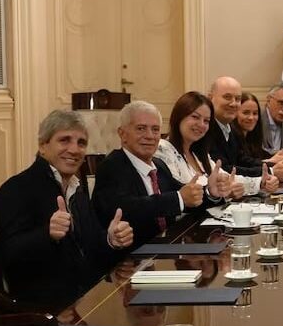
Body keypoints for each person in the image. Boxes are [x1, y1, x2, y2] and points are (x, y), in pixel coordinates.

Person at [0, 110, 134, 310]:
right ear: (43, 145)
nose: (74, 149)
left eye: (81, 143)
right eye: (64, 140)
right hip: (44, 310)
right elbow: (8, 255)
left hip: (86, 301)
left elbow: (91, 246)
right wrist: (47, 234)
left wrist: (111, 239)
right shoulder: (17, 188)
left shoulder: (77, 189)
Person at [93, 101, 230, 248]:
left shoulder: (159, 165)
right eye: (141, 129)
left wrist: (210, 192)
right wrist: (179, 198)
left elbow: (185, 196)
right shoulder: (112, 166)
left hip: (168, 247)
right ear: (122, 134)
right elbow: (127, 207)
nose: (150, 136)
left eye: (155, 129)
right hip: (134, 254)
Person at [156, 91, 279, 199]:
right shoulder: (163, 149)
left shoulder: (198, 154)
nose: (201, 124)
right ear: (179, 117)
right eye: (195, 117)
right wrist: (214, 192)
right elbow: (177, 194)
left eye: (206, 121)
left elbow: (228, 179)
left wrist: (261, 182)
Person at [206, 76, 283, 181]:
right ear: (210, 98)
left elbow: (242, 160)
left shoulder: (229, 128)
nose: (233, 103)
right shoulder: (206, 129)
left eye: (237, 99)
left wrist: (277, 165)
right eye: (227, 97)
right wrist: (271, 171)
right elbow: (224, 170)